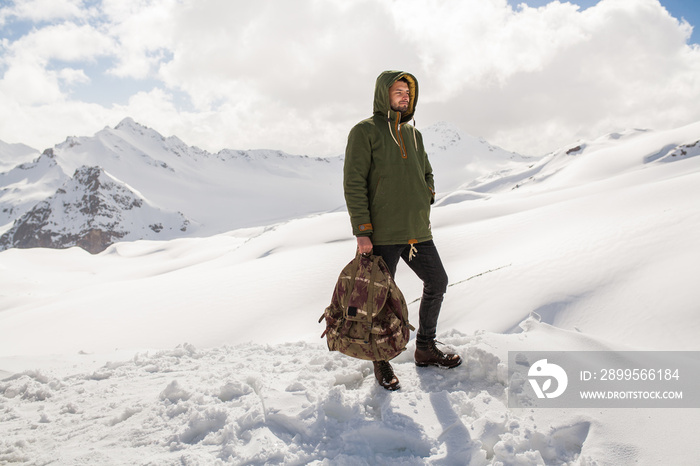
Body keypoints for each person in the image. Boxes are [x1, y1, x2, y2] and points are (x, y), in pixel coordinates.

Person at [343, 70, 462, 391]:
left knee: (437, 281)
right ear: (384, 95)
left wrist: (428, 192)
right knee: (378, 299)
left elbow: (426, 169)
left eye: (407, 92)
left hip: (417, 231)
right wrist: (362, 230)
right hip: (381, 233)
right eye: (397, 91)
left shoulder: (414, 134)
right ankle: (380, 360)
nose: (404, 96)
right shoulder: (364, 132)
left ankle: (425, 347)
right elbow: (354, 182)